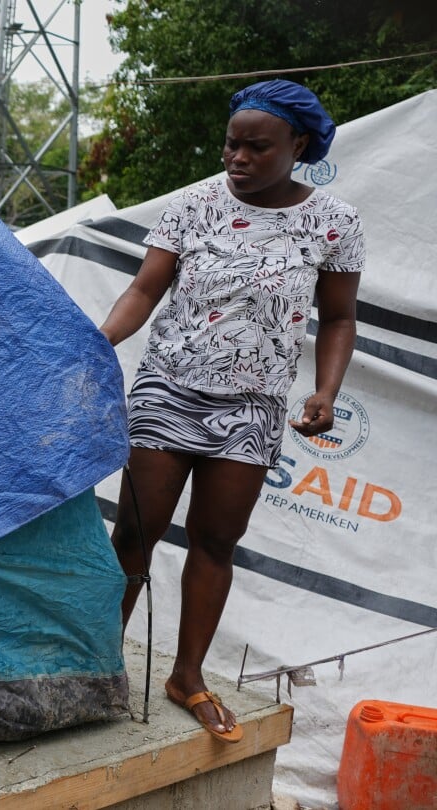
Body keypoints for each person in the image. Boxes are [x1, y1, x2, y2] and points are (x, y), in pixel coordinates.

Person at [99, 80, 363, 742]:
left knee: (217, 542)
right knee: (136, 532)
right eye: (230, 143)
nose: (237, 157)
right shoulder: (193, 207)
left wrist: (326, 390)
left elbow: (338, 317)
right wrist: (99, 342)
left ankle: (187, 676)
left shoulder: (335, 224)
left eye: (256, 146)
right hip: (170, 390)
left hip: (253, 406)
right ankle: (92, 665)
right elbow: (143, 289)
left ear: (298, 145)